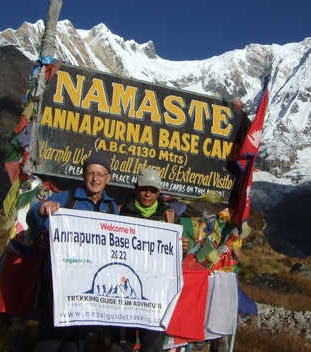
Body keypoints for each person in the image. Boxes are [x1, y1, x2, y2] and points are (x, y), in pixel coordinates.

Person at [27, 151, 119, 352]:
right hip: (60, 281)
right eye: (90, 173)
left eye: (100, 174)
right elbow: (33, 219)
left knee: (77, 341)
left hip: (89, 286)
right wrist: (41, 210)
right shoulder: (67, 198)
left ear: (108, 178)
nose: (95, 179)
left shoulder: (112, 208)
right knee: (49, 339)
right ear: (83, 175)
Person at [110, 168, 189, 352]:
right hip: (124, 294)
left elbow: (175, 261)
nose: (148, 194)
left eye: (153, 190)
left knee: (152, 347)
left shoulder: (170, 217)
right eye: (144, 188)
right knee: (121, 346)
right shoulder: (120, 212)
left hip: (155, 295)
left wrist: (182, 250)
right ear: (135, 187)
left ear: (159, 192)